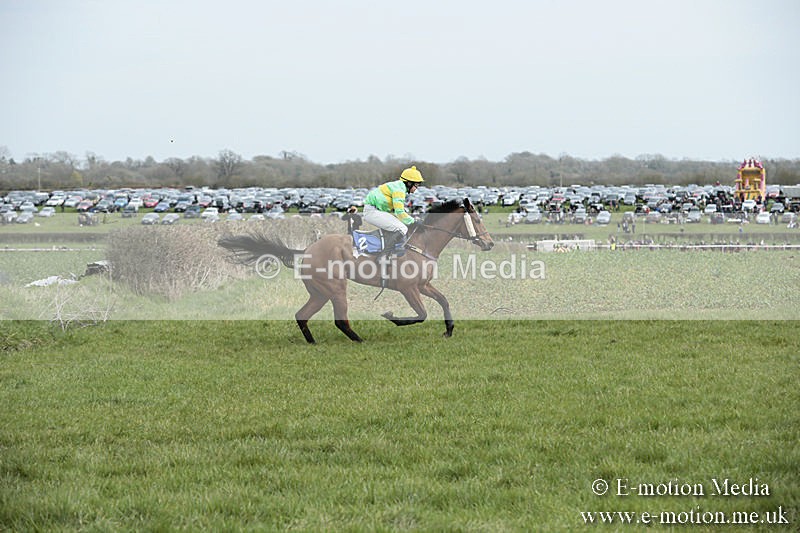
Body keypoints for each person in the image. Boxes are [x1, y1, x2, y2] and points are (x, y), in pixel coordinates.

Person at [362, 165, 423, 254]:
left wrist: (411, 219)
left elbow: (400, 210)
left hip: (376, 210)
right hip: (372, 212)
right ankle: (383, 256)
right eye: (416, 185)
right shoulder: (399, 190)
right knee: (402, 229)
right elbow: (399, 212)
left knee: (401, 225)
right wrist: (413, 221)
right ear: (409, 183)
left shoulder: (399, 186)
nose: (416, 189)